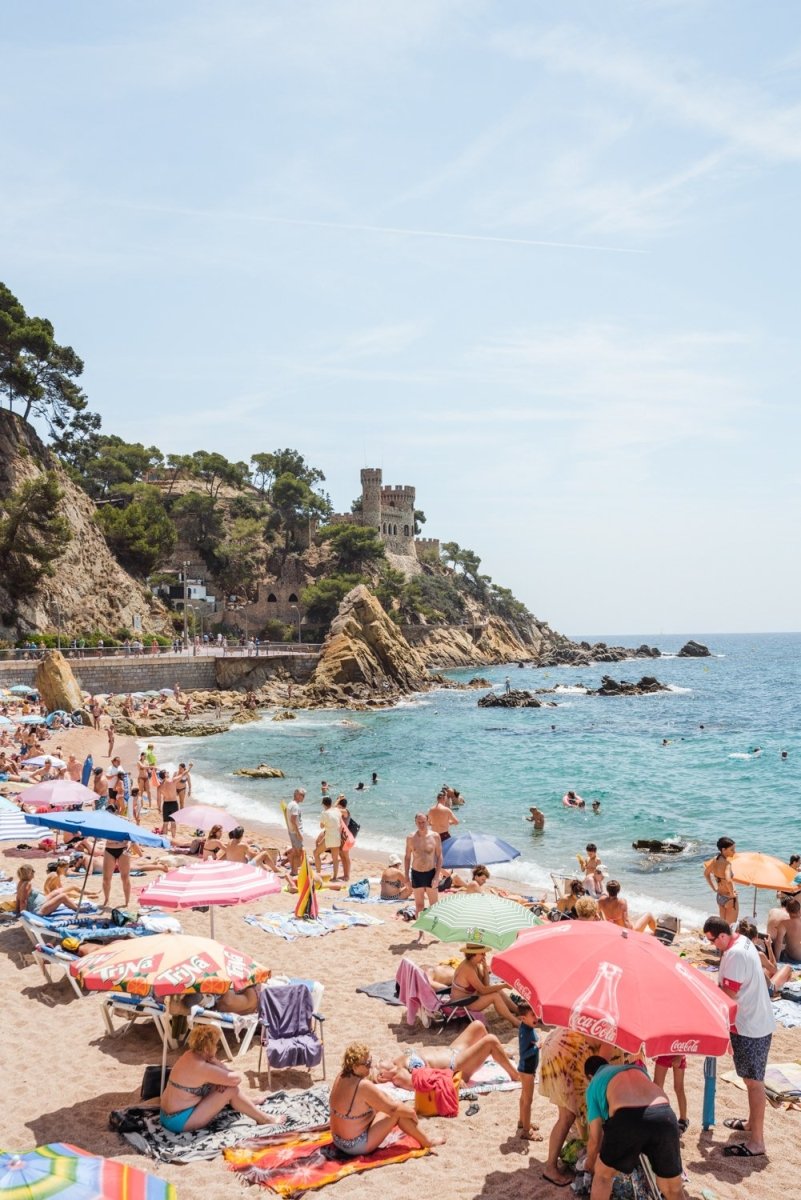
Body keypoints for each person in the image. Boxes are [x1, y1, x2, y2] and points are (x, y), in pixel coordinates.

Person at [703, 914, 775, 1157]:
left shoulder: (734, 954)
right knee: (749, 1079)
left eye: (713, 941)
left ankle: (757, 1142)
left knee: (754, 1083)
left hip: (751, 1027)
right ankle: (751, 1124)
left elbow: (728, 995)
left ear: (723, 935)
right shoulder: (742, 939)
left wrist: (706, 992)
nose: (713, 945)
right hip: (757, 1021)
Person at [584, 1055, 686, 1199]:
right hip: (665, 1116)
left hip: (627, 1117)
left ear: (590, 1076)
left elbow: (595, 1137)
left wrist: (590, 1163)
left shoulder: (594, 1083)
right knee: (672, 1188)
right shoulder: (637, 1069)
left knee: (603, 1177)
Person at [539, 1029, 625, 1188]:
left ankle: (584, 1149)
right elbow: (600, 1074)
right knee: (567, 1116)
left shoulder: (602, 1012)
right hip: (566, 1053)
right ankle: (550, 1167)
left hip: (557, 1042)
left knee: (574, 1109)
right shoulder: (613, 1030)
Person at [159, 1025, 283, 1132]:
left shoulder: (189, 1056)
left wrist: (217, 1069)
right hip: (179, 1121)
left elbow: (224, 1078)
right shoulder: (202, 1067)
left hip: (166, 1116)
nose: (217, 1048)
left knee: (221, 1084)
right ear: (207, 1048)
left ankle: (247, 1102)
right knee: (230, 1090)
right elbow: (236, 1079)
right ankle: (264, 1119)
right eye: (216, 1045)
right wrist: (217, 1063)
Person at [328, 1042, 443, 1155]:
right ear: (355, 1067)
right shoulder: (362, 1085)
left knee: (386, 1102)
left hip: (337, 1140)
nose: (371, 1066)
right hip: (354, 1146)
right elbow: (393, 1109)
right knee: (399, 1113)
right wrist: (411, 1113)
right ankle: (427, 1142)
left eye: (370, 1061)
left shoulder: (341, 1075)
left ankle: (423, 1137)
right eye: (367, 1063)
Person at [376, 1020, 519, 1090]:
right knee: (491, 1040)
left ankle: (494, 1055)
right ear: (382, 1076)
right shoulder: (400, 1076)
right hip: (455, 1065)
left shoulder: (397, 1061)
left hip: (452, 1050)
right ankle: (515, 1075)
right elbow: (422, 1082)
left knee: (478, 1026)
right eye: (379, 1063)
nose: (381, 1059)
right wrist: (450, 1080)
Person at [449, 943, 521, 1026]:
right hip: (461, 1004)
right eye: (482, 953)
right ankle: (515, 1022)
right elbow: (483, 990)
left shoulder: (474, 964)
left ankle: (518, 1011)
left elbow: (486, 985)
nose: (485, 956)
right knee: (495, 996)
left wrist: (485, 969)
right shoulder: (467, 968)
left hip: (469, 999)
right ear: (473, 954)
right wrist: (504, 985)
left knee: (497, 990)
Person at [404, 812, 442, 916]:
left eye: (423, 822)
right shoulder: (410, 838)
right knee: (419, 906)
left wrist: (436, 875)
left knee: (434, 906)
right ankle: (421, 933)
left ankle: (434, 930)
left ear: (428, 822)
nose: (421, 825)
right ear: (415, 823)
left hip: (431, 873)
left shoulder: (435, 836)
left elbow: (439, 857)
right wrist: (406, 876)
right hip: (416, 873)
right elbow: (407, 857)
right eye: (419, 822)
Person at [516, 1001, 542, 1141]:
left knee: (523, 1097)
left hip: (526, 1068)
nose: (536, 1017)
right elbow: (524, 1053)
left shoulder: (526, 1028)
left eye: (536, 1013)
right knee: (528, 1100)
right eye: (532, 1015)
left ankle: (522, 1121)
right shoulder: (526, 1032)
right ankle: (526, 1131)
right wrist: (537, 1047)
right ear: (523, 1018)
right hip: (526, 1069)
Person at [15, 864, 81, 916]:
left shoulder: (20, 882)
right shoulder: (27, 884)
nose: (34, 872)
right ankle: (78, 909)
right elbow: (23, 900)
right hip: (38, 909)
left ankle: (74, 906)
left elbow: (18, 898)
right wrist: (23, 914)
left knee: (56, 892)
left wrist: (16, 911)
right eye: (33, 871)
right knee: (63, 896)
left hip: (41, 902)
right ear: (29, 873)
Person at [703, 836, 739, 924]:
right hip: (729, 898)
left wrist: (714, 888)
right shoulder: (727, 864)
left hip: (720, 896)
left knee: (723, 925)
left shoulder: (715, 860)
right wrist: (732, 894)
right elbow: (728, 880)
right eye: (732, 849)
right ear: (723, 850)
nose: (734, 851)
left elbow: (706, 873)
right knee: (730, 927)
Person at [652, 1055, 689, 1134]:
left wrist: (680, 1057)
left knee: (679, 1088)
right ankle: (660, 1117)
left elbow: (686, 1042)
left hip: (679, 1050)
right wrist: (655, 1052)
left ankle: (683, 1119)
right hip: (663, 1053)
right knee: (657, 1088)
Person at [314, 796, 342, 880]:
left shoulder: (324, 813)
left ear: (323, 804)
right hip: (337, 837)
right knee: (335, 858)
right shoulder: (337, 810)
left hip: (329, 838)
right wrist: (339, 799)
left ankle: (318, 873)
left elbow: (321, 826)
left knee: (316, 853)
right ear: (330, 803)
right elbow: (334, 808)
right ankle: (334, 877)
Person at [768, 896, 801, 961]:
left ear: (787, 910)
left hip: (792, 957)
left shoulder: (783, 924)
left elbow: (778, 942)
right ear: (799, 910)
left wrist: (777, 960)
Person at [102, 835, 131, 908]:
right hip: (109, 848)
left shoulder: (126, 823)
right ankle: (106, 899)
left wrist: (130, 845)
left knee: (125, 877)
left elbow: (131, 834)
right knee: (106, 878)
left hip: (123, 848)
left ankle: (127, 901)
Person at [285, 788, 305, 874]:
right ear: (297, 795)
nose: (303, 797)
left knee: (296, 851)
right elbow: (293, 820)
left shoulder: (290, 804)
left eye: (304, 795)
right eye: (302, 795)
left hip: (292, 831)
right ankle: (295, 871)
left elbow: (288, 819)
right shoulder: (295, 806)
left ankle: (293, 870)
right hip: (295, 832)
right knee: (298, 852)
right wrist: (298, 833)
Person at [157, 770, 180, 837]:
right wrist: (189, 767)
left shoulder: (159, 787)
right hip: (174, 804)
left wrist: (159, 808)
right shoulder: (172, 781)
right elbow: (183, 774)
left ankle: (165, 839)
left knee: (165, 823)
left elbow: (159, 799)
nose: (168, 773)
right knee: (173, 823)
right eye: (167, 772)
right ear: (165, 774)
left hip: (166, 805)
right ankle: (173, 838)